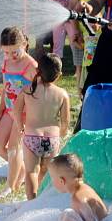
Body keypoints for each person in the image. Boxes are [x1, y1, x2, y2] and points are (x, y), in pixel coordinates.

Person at [13, 53, 70, 200]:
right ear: (59, 75)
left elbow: (17, 110)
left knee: (31, 171)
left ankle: (32, 201)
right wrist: (62, 133)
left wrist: (21, 127)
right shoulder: (62, 94)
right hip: (52, 140)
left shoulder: (27, 90)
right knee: (46, 171)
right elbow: (65, 121)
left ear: (38, 71)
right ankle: (43, 200)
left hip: (32, 137)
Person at [0, 26, 37, 197]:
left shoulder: (31, 66)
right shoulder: (6, 62)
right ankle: (21, 169)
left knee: (13, 148)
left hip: (24, 113)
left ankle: (10, 186)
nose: (10, 57)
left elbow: (37, 93)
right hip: (9, 110)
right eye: (6, 52)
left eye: (14, 52)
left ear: (24, 44)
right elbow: (5, 88)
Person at [48, 154, 108, 221]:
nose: (52, 182)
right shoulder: (86, 188)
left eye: (52, 178)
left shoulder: (78, 199)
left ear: (62, 181)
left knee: (67, 215)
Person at [69, 0, 106, 88]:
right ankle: (84, 96)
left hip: (106, 30)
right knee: (85, 66)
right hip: (86, 33)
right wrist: (75, 30)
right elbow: (72, 6)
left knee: (104, 64)